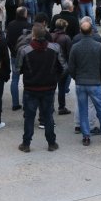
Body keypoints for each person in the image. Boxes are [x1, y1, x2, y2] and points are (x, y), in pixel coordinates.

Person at [17, 24, 67, 152]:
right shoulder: (54, 48)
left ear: (33, 35)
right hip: (48, 87)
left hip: (31, 87)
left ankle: (26, 143)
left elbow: (18, 69)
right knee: (48, 116)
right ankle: (51, 143)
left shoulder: (24, 50)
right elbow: (64, 67)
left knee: (29, 116)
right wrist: (55, 77)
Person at [69, 21, 101, 146]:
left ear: (80, 31)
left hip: (81, 82)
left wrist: (76, 78)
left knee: (83, 110)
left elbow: (71, 67)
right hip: (95, 82)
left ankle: (86, 136)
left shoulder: (75, 47)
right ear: (91, 31)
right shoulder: (98, 46)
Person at [6, 7, 32, 110]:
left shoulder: (11, 25)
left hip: (14, 54)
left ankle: (15, 103)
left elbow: (7, 39)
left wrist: (12, 50)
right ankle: (25, 103)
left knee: (15, 79)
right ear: (25, 15)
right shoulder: (28, 26)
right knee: (26, 79)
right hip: (26, 55)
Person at [50, 18, 73, 115]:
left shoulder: (50, 36)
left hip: (51, 65)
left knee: (51, 87)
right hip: (62, 66)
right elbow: (69, 53)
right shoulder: (66, 38)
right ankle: (61, 107)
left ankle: (50, 107)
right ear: (64, 27)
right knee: (62, 87)